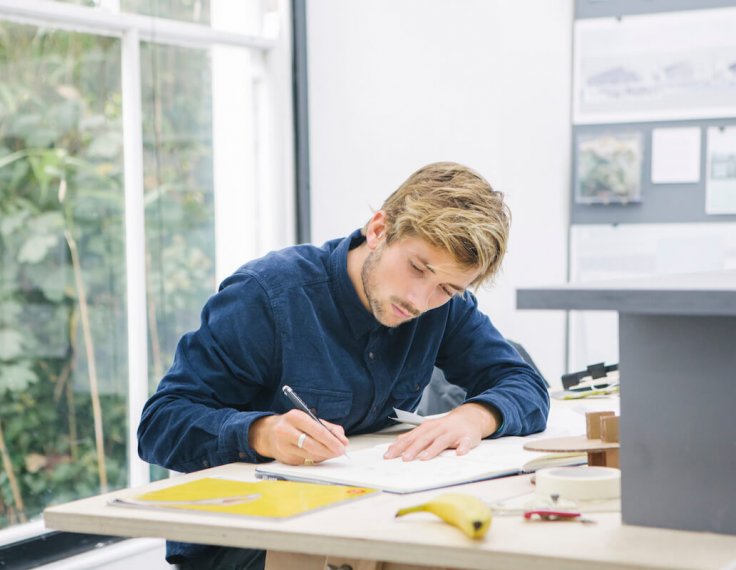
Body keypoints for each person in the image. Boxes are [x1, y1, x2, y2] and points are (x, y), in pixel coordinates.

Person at [137, 161, 550, 569]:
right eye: (417, 268)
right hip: (246, 540)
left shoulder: (443, 309)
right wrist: (262, 433)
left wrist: (475, 416)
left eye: (445, 288)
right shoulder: (266, 296)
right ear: (378, 230)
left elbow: (523, 382)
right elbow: (160, 423)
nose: (420, 301)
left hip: (363, 518)